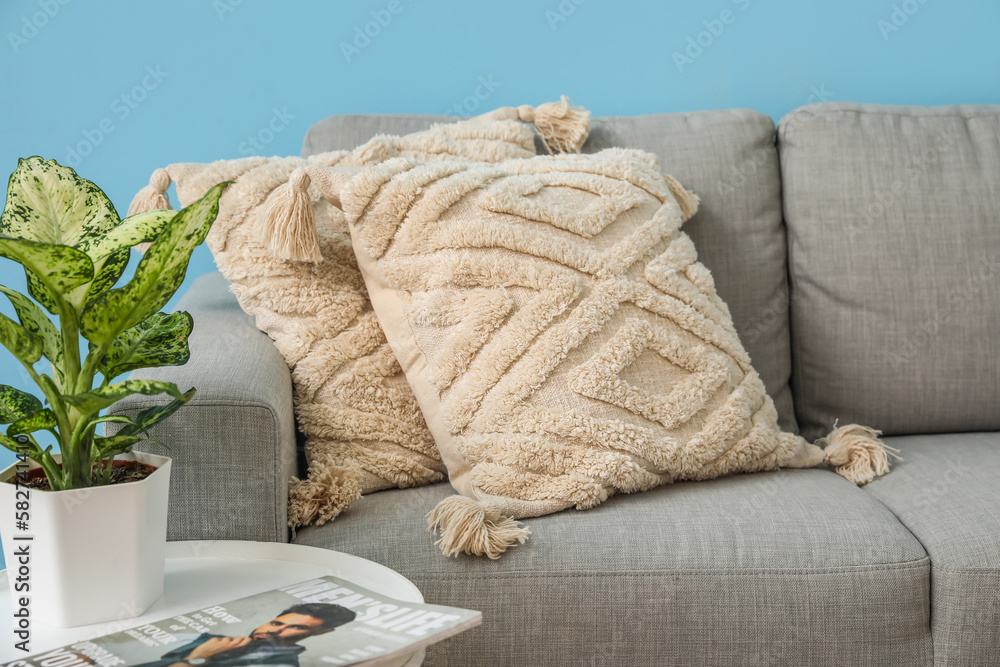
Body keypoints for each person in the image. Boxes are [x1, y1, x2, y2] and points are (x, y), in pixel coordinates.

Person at [134, 604, 356, 667]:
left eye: (296, 628)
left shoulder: (281, 664)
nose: (273, 630)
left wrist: (198, 658)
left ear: (323, 632)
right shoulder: (209, 637)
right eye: (276, 623)